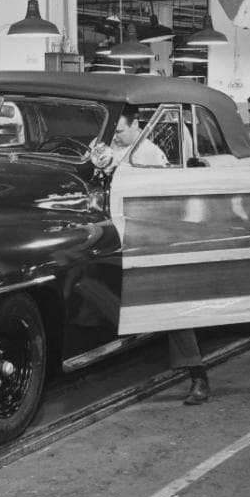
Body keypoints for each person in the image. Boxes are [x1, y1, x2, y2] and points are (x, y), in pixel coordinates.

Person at [98, 105, 208, 405]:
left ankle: (198, 375)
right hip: (116, 237)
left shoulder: (151, 155)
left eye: (120, 131)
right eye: (113, 132)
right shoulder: (111, 150)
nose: (115, 137)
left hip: (149, 239)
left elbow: (164, 203)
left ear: (137, 126)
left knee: (170, 303)